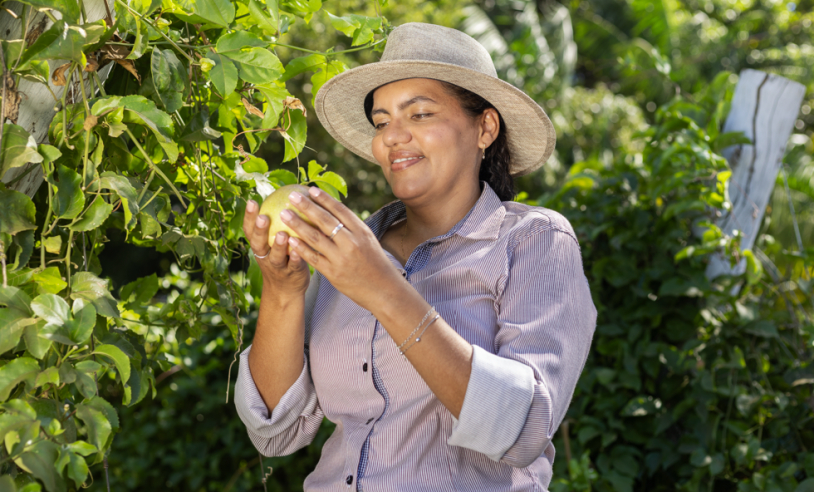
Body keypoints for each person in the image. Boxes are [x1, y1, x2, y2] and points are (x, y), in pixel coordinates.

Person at [235, 22, 596, 491]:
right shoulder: (348, 251)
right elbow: (276, 433)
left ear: (484, 127)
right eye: (382, 122)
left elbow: (524, 430)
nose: (392, 137)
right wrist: (283, 292)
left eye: (420, 114)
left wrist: (383, 289)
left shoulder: (533, 241)